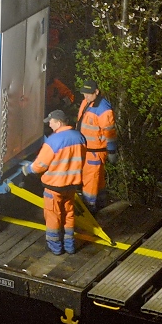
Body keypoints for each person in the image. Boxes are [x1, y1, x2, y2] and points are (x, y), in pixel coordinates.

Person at [20, 109, 86, 255]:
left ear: (58, 122)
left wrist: (27, 169)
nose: (49, 124)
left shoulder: (53, 141)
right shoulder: (79, 137)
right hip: (71, 185)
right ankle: (69, 246)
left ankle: (55, 247)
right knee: (68, 214)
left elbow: (40, 165)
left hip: (54, 187)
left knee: (53, 216)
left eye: (50, 121)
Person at [77, 79, 117, 212]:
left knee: (91, 179)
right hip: (86, 149)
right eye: (84, 93)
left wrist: (111, 151)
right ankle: (99, 201)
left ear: (96, 92)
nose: (85, 96)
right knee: (97, 179)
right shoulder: (87, 102)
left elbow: (109, 131)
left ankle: (89, 207)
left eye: (88, 93)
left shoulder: (103, 109)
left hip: (95, 151)